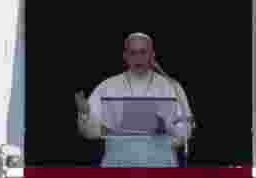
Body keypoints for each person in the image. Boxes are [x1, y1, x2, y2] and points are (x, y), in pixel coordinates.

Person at [75, 33, 194, 167]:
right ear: (125, 56)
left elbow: (185, 129)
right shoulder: (107, 86)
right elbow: (90, 134)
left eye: (143, 52)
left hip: (160, 164)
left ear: (152, 55)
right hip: (118, 164)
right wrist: (85, 115)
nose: (138, 58)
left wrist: (169, 134)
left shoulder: (172, 86)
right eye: (133, 53)